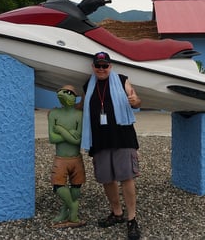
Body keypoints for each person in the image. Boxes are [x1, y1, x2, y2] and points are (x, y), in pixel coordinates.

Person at [80, 51, 141, 240]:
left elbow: (137, 100)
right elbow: (82, 106)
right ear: (93, 67)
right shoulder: (88, 85)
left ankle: (132, 219)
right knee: (107, 179)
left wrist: (134, 101)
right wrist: (61, 110)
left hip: (122, 136)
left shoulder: (122, 80)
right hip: (99, 139)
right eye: (97, 66)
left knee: (127, 177)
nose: (101, 69)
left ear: (110, 66)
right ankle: (117, 213)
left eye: (104, 65)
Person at [48, 85, 86, 228]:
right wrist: (70, 133)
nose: (63, 94)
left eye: (68, 92)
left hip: (76, 158)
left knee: (76, 185)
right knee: (58, 185)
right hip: (60, 158)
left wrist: (61, 130)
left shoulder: (79, 115)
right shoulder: (54, 114)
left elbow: (78, 140)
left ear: (74, 96)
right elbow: (52, 138)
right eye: (61, 91)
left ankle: (65, 211)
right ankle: (73, 206)